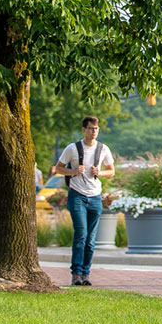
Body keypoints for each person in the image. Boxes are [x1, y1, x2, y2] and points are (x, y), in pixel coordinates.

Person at [55, 116, 115, 286]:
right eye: (90, 128)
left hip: (95, 196)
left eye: (96, 129)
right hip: (77, 195)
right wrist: (73, 171)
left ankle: (86, 273)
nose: (93, 131)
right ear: (84, 129)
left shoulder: (103, 149)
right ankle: (76, 273)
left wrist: (101, 173)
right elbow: (58, 168)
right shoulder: (72, 148)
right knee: (81, 233)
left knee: (91, 238)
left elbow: (111, 170)